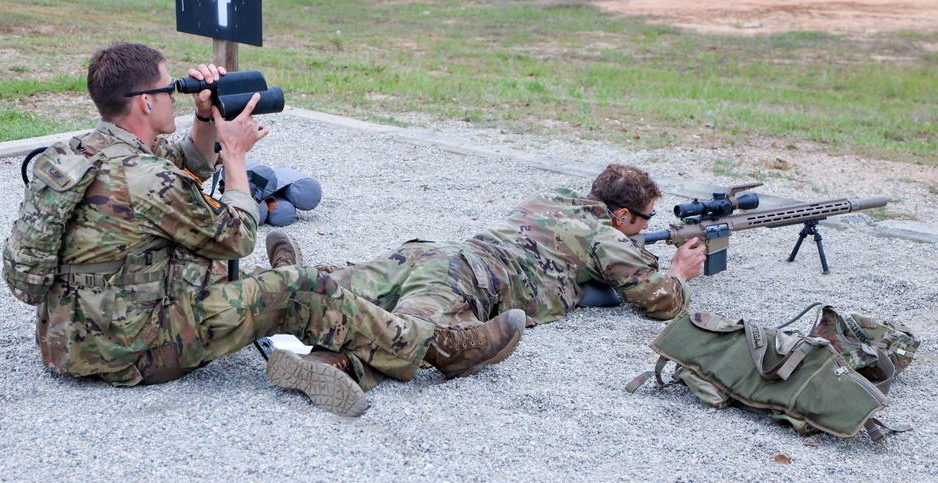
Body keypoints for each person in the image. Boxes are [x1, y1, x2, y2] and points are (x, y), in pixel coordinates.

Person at [10, 42, 525, 417]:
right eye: (169, 89)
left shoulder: (80, 154)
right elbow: (235, 235)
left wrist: (205, 117)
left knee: (260, 280)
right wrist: (234, 155)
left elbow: (183, 163)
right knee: (301, 288)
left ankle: (327, 337)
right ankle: (437, 347)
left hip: (71, 342)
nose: (173, 96)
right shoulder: (146, 178)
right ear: (145, 101)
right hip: (136, 351)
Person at [266, 164, 705, 386]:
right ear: (622, 214)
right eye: (645, 219)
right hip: (469, 276)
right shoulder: (602, 234)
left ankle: (296, 279)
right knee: (410, 329)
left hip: (433, 251)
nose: (647, 227)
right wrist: (679, 273)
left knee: (354, 283)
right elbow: (657, 302)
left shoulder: (552, 197)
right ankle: (329, 364)